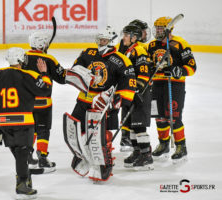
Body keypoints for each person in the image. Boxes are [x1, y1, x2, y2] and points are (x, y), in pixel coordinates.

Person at [64, 26, 136, 181]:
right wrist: (83, 74)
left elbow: (129, 82)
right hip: (84, 99)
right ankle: (83, 155)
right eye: (100, 39)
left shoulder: (121, 60)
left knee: (103, 135)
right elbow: (75, 69)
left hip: (104, 103)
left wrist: (119, 99)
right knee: (79, 129)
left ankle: (105, 162)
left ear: (111, 41)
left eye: (104, 40)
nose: (101, 42)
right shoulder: (88, 53)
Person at [0, 47, 52, 199]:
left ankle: (25, 177)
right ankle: (22, 184)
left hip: (4, 123)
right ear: (20, 60)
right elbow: (45, 89)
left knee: (19, 154)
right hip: (23, 122)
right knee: (23, 152)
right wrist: (43, 73)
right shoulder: (27, 75)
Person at [147, 16, 197, 163]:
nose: (158, 30)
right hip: (156, 85)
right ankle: (163, 144)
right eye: (156, 28)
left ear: (169, 29)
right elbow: (149, 63)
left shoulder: (180, 43)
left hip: (174, 85)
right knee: (159, 117)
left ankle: (181, 146)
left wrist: (178, 70)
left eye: (161, 28)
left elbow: (192, 67)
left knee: (174, 117)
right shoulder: (152, 45)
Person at [23, 31, 67, 173]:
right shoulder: (49, 59)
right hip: (43, 103)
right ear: (43, 44)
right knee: (42, 129)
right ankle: (42, 157)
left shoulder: (22, 57)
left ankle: (28, 156)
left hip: (27, 101)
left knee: (30, 129)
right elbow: (62, 78)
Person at [117, 24, 153, 170]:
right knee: (132, 126)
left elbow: (144, 73)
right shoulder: (128, 50)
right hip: (131, 93)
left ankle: (146, 155)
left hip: (140, 94)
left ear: (134, 37)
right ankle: (137, 151)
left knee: (139, 126)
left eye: (126, 35)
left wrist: (137, 90)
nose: (123, 37)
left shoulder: (139, 50)